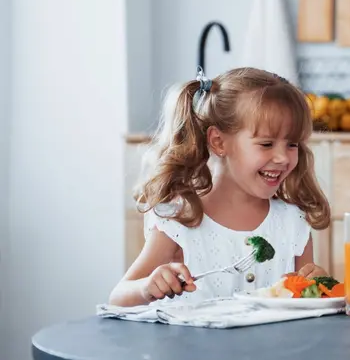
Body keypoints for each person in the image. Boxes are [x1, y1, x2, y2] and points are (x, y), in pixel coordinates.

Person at [109, 67, 331, 307]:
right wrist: (147, 287)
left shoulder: (293, 222)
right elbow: (118, 298)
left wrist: (318, 287)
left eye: (292, 144)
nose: (283, 158)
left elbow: (305, 306)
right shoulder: (180, 218)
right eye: (266, 144)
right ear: (218, 142)